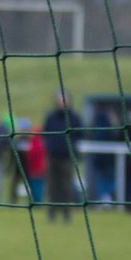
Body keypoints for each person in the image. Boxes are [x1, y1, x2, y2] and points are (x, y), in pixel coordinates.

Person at [41, 89, 84, 222]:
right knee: (52, 187)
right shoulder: (51, 116)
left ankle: (67, 214)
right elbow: (45, 133)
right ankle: (51, 214)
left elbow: (80, 134)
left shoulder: (74, 118)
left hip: (67, 157)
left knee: (67, 186)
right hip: (52, 156)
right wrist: (50, 145)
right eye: (59, 100)